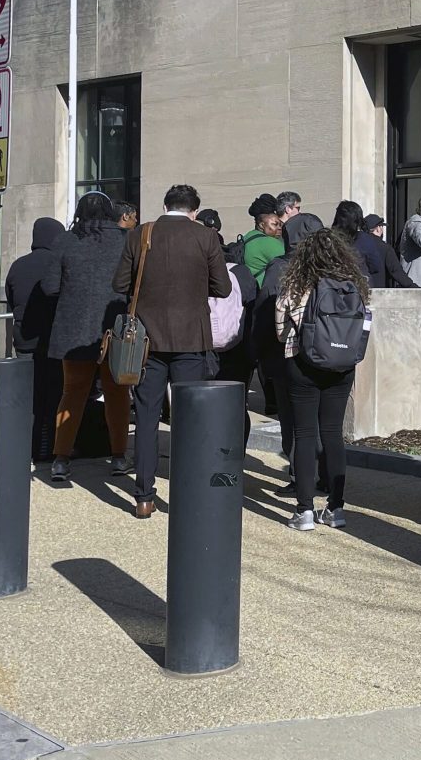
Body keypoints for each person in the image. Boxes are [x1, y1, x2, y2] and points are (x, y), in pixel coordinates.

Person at [113, 184, 232, 518]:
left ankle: (144, 497)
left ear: (165, 205)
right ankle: (187, 494)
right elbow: (222, 288)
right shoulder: (206, 237)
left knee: (148, 417)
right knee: (188, 420)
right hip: (191, 338)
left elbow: (120, 284)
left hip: (147, 340)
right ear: (194, 209)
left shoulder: (140, 234)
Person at [275, 227, 369, 530]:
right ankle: (335, 509)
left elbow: (280, 329)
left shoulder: (296, 283)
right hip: (342, 365)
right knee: (332, 433)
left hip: (302, 363)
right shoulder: (355, 284)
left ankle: (304, 511)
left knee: (304, 434)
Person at [41, 194, 132, 483]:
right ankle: (118, 456)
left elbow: (50, 287)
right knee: (117, 394)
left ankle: (61, 458)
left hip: (74, 328)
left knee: (72, 394)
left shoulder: (66, 241)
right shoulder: (124, 240)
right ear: (109, 211)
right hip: (114, 328)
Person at [258, 214, 327, 483]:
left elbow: (267, 312)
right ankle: (327, 477)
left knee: (295, 423)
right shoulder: (335, 266)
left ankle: (300, 478)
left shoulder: (281, 267)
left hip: (290, 354)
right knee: (326, 423)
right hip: (332, 353)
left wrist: (260, 352)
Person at [5, 217, 65, 463]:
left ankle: (23, 447)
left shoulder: (18, 265)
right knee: (52, 396)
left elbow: (10, 298)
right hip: (52, 341)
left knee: (29, 397)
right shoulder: (58, 263)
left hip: (23, 338)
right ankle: (46, 447)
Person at [203, 213, 258, 445]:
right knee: (237, 403)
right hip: (238, 348)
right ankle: (235, 455)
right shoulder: (242, 273)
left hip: (204, 347)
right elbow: (253, 305)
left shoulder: (199, 270)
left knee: (205, 402)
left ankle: (208, 451)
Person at [354, 213, 416, 288]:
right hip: (379, 293)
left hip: (359, 291)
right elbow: (397, 272)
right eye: (382, 227)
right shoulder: (385, 248)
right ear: (378, 228)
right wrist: (413, 286)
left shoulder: (357, 245)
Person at [241, 193, 286, 286]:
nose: (279, 228)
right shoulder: (267, 242)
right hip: (266, 293)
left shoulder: (249, 236)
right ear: (262, 225)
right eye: (275, 224)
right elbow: (293, 262)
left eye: (280, 225)